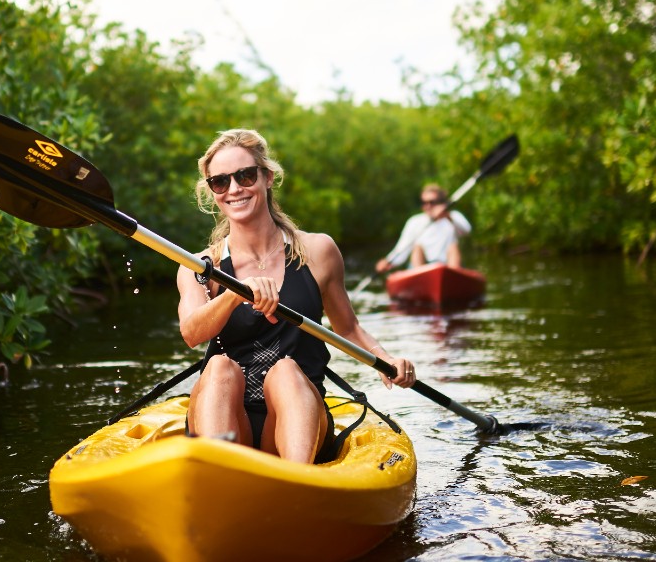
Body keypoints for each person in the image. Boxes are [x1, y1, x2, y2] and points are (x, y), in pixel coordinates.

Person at [176, 129, 417, 464]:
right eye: (220, 182)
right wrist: (234, 294)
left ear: (267, 178)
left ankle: (296, 483)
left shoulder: (319, 251)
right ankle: (221, 474)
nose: (234, 189)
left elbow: (347, 328)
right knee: (217, 367)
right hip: (229, 421)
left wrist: (385, 359)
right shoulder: (201, 267)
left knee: (286, 371)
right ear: (212, 191)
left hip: (298, 414)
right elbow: (191, 333)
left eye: (245, 175)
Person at [375, 183, 471, 272]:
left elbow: (466, 231)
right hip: (421, 268)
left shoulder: (453, 217)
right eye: (424, 202)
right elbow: (402, 249)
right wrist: (388, 261)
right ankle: (419, 278)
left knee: (453, 247)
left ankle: (452, 279)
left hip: (447, 268)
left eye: (432, 202)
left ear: (442, 202)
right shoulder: (414, 222)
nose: (428, 206)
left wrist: (448, 216)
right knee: (417, 248)